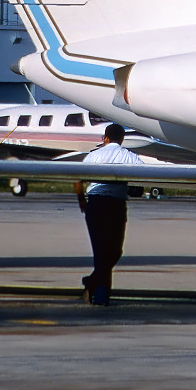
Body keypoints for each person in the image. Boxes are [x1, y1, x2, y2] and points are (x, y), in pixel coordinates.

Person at [74, 124, 147, 306]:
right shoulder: (128, 156)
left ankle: (93, 284)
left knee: (100, 251)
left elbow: (77, 178)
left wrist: (81, 200)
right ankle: (100, 295)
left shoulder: (93, 156)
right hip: (116, 205)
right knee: (115, 250)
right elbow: (145, 173)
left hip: (96, 204)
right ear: (122, 139)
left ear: (105, 138)